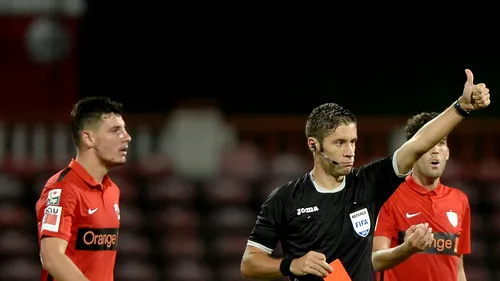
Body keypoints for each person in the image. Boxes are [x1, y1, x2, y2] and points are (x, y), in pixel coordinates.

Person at [240, 69, 490, 281]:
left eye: (353, 141)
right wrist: (290, 265)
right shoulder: (285, 198)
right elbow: (249, 263)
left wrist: (461, 108)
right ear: (314, 145)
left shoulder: (368, 183)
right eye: (339, 143)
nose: (350, 152)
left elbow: (417, 144)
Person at [35, 96, 132, 281]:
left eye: (124, 130)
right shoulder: (62, 188)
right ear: (88, 138)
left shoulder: (113, 191)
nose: (127, 137)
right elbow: (52, 258)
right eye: (115, 131)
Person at [372, 112, 471, 281]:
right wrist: (407, 248)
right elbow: (376, 260)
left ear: (447, 152)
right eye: (430, 143)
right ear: (414, 150)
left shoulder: (460, 200)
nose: (435, 151)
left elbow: (458, 267)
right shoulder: (390, 195)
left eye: (441, 143)